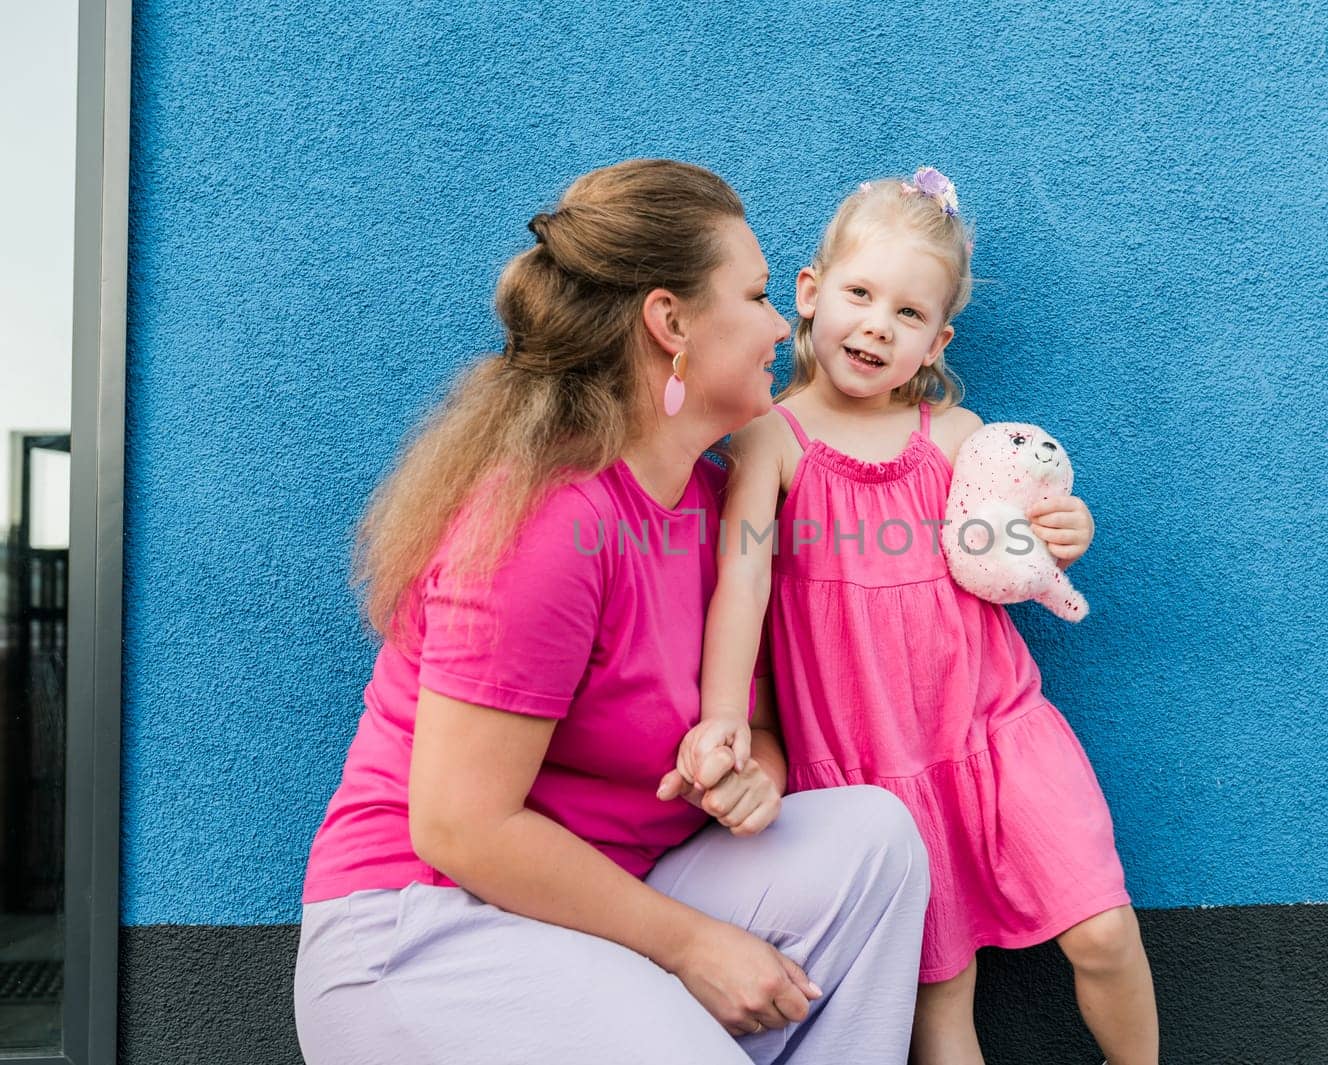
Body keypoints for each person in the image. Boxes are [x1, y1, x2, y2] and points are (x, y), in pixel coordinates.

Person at [293, 159, 931, 1065]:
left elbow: (749, 719)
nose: (777, 327)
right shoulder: (549, 520)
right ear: (669, 323)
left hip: (613, 894)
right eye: (753, 295)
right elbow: (457, 825)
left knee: (875, 838)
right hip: (425, 927)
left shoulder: (719, 503)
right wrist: (692, 945)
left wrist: (755, 771)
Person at [673, 169, 1159, 1065]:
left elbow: (1002, 551)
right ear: (812, 296)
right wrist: (723, 716)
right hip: (871, 762)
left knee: (1103, 930)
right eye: (860, 294)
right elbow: (740, 581)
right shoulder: (772, 441)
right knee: (940, 1000)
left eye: (908, 314)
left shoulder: (952, 436)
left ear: (936, 342)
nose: (877, 325)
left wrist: (1064, 530)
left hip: (997, 732)